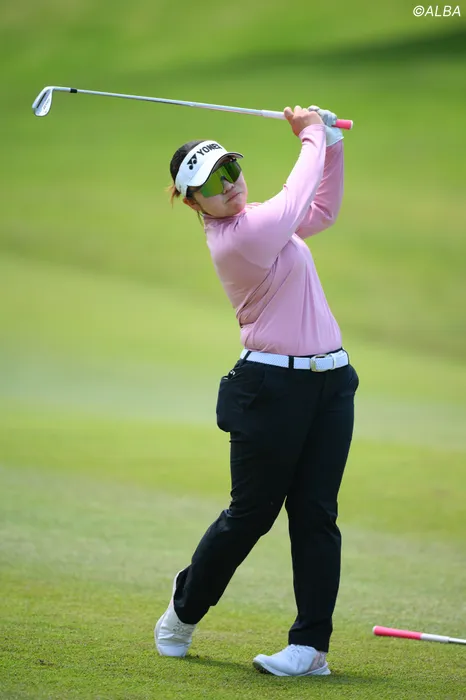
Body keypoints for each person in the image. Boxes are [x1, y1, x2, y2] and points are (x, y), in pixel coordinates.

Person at [155, 105, 359, 677]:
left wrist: (332, 147)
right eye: (210, 185)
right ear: (193, 203)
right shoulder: (239, 239)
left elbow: (320, 210)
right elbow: (295, 200)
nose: (228, 186)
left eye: (230, 170)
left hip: (331, 384)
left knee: (316, 515)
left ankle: (310, 648)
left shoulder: (260, 223)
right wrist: (312, 134)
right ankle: (184, 609)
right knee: (251, 515)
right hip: (271, 390)